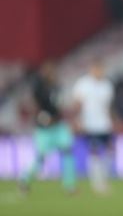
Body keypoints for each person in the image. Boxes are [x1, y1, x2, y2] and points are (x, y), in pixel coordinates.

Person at [19, 61, 77, 194]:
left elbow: (59, 106)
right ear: (44, 72)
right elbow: (35, 106)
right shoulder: (39, 88)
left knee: (68, 152)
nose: (52, 73)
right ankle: (24, 178)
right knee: (41, 158)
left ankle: (70, 186)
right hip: (44, 129)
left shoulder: (57, 87)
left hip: (59, 126)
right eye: (48, 71)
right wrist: (41, 117)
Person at [73, 59, 115, 195]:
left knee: (110, 151)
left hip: (105, 124)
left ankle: (103, 179)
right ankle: (97, 183)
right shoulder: (82, 84)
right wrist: (77, 121)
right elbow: (77, 105)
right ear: (91, 69)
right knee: (95, 152)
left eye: (100, 69)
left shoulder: (107, 85)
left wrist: (113, 121)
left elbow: (108, 107)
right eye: (96, 69)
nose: (99, 72)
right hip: (90, 125)